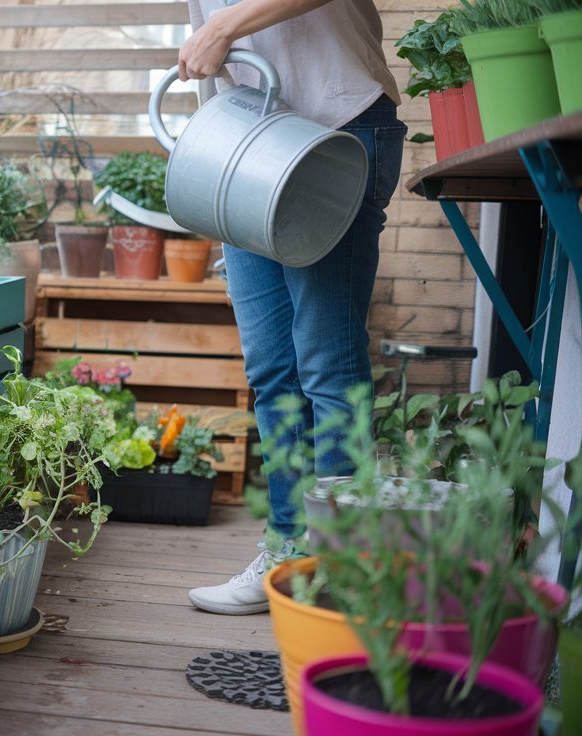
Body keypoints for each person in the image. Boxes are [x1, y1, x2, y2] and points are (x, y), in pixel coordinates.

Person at [181, 0, 407, 615]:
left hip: (337, 129)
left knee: (327, 369)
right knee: (273, 370)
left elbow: (222, 28)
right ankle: (286, 551)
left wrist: (223, 27)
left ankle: (337, 565)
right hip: (247, 145)